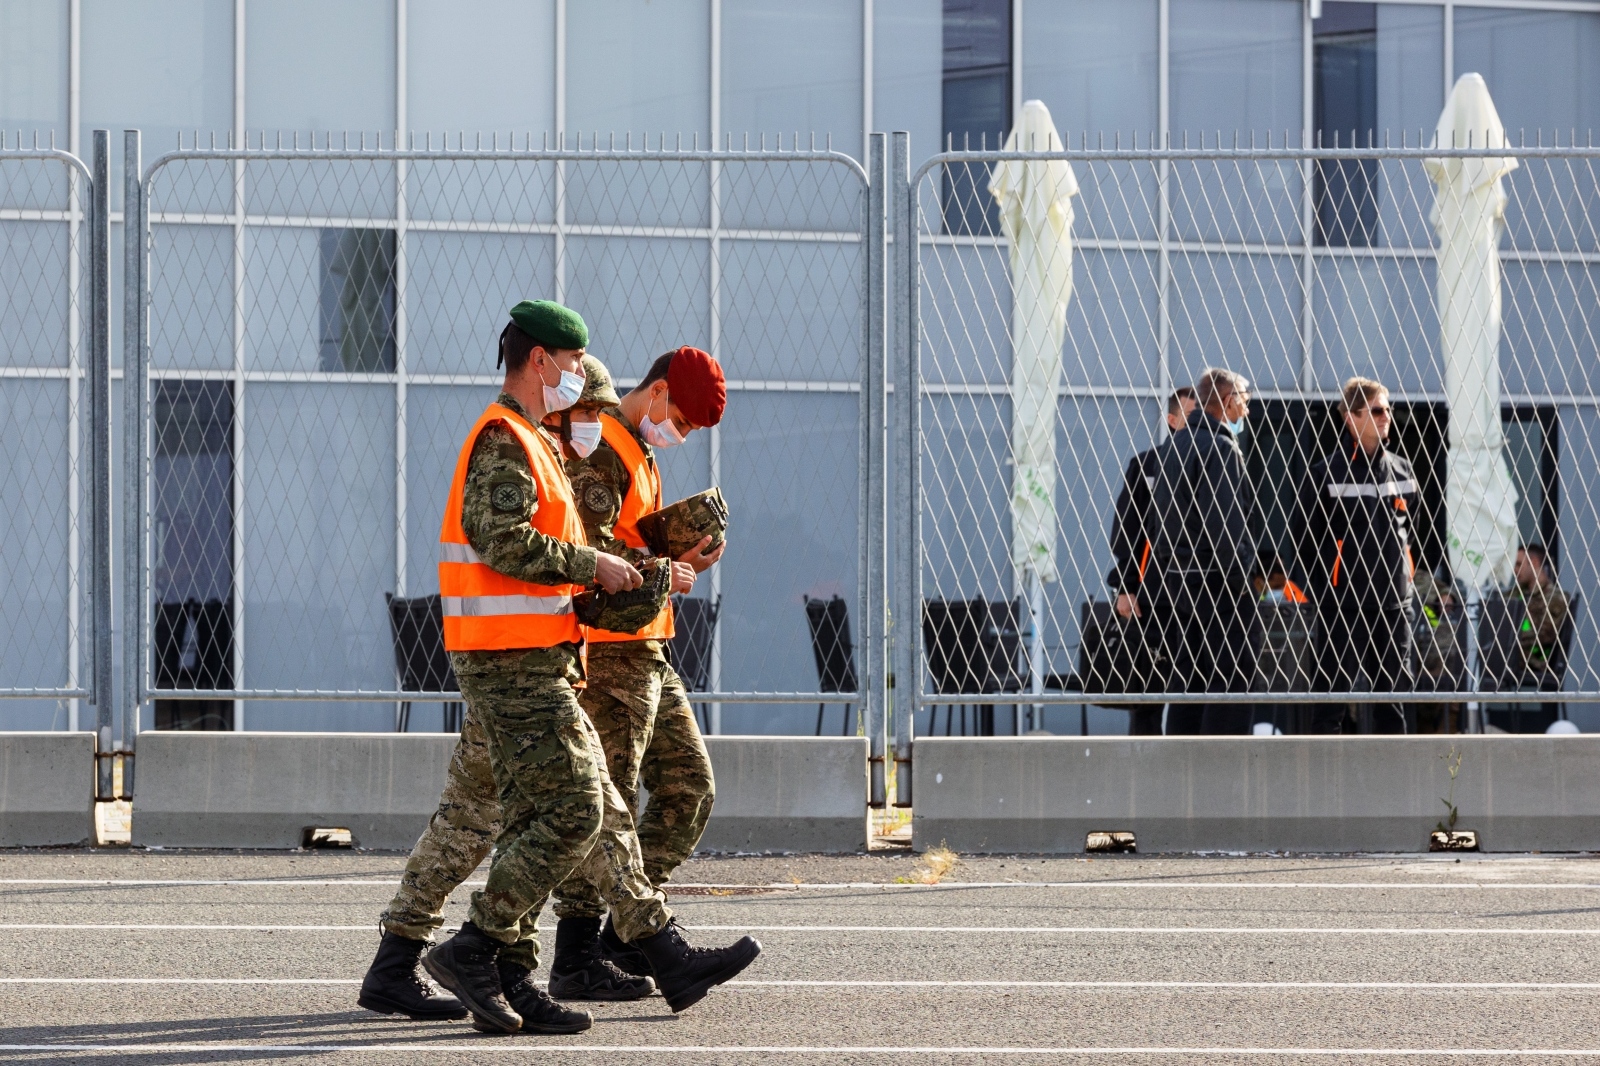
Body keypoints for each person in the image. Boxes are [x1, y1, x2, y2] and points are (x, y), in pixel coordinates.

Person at [361, 300, 759, 1036]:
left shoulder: (542, 447)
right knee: (579, 810)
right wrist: (616, 568)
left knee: (487, 816)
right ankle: (513, 952)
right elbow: (506, 542)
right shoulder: (513, 439)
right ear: (541, 361)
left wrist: (643, 570)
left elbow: (567, 570)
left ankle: (424, 965)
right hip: (514, 662)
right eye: (575, 370)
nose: (585, 399)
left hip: (532, 659)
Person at [547, 347, 727, 997]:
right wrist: (665, 570)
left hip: (649, 644)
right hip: (610, 649)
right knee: (607, 803)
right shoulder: (603, 450)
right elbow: (590, 555)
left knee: (690, 787)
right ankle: (579, 957)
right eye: (677, 418)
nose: (677, 433)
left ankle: (622, 936)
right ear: (654, 393)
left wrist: (677, 561)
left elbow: (631, 549)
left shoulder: (635, 451)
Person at [1294, 377, 1418, 735]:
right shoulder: (1324, 473)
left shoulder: (1403, 471)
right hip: (1342, 607)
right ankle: (1320, 778)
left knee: (1393, 700)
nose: (1386, 417)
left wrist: (1404, 581)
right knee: (1330, 698)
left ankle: (1393, 780)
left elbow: (1416, 535)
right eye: (1378, 410)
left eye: (1388, 410)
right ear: (1350, 417)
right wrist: (1325, 594)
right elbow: (1305, 541)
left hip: (1394, 606)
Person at [1146, 368, 1260, 735]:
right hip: (1219, 582)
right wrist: (1243, 581)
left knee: (1189, 677)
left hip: (1181, 581)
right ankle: (1224, 770)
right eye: (1245, 399)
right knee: (1232, 677)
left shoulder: (1175, 445)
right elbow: (1227, 526)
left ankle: (1183, 765)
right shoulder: (1221, 448)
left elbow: (1156, 519)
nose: (1247, 409)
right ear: (1227, 401)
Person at [1107, 387, 1195, 734]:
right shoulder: (1146, 466)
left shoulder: (1221, 460)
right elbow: (1126, 531)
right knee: (1148, 687)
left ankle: (1187, 766)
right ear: (1172, 421)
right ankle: (1144, 767)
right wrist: (1126, 587)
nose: (1198, 422)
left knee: (1195, 685)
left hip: (1200, 595)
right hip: (1152, 596)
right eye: (1190, 416)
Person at [1507, 543, 1571, 680]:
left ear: (1534, 562)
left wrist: (1510, 636)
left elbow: (1544, 634)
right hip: (1510, 653)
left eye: (1518, 564)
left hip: (1534, 658)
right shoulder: (1517, 594)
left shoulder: (1555, 598)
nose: (1514, 570)